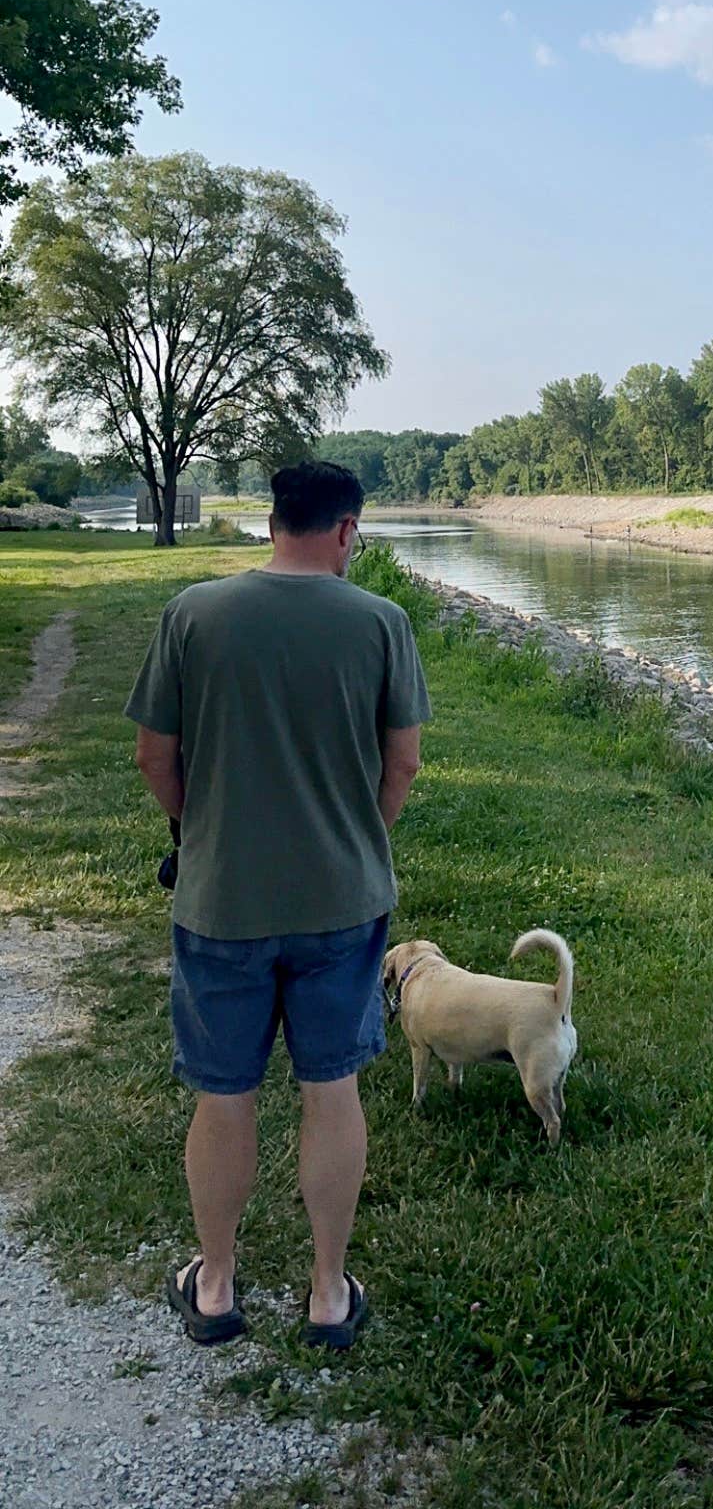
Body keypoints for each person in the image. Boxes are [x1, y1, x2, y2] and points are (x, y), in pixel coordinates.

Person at [125, 459, 429, 1349]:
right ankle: (328, 1295)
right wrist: (361, 838)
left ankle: (215, 1288)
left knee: (225, 1096)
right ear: (344, 531)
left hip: (220, 901)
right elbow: (401, 761)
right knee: (329, 1089)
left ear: (271, 523)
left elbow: (153, 756)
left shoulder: (194, 614)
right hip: (343, 903)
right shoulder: (383, 623)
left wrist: (201, 828)